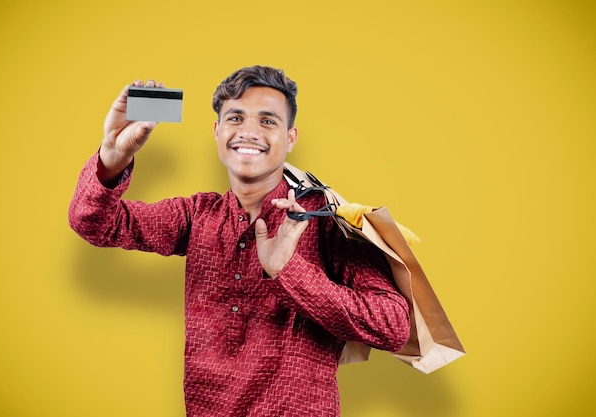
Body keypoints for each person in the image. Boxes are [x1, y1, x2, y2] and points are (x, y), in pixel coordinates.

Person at [68, 65, 410, 417]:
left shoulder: (324, 218)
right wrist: (112, 155)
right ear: (217, 132)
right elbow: (93, 223)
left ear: (290, 138)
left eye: (267, 121)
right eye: (235, 118)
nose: (248, 132)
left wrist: (287, 271)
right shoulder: (198, 214)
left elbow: (392, 326)